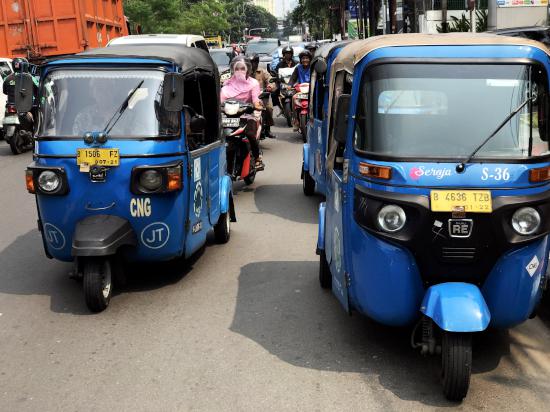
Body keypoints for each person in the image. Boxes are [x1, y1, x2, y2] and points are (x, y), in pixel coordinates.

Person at [220, 56, 264, 168]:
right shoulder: (226, 84)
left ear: (247, 70)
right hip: (229, 117)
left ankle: (257, 157)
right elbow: (221, 100)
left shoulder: (254, 83)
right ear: (233, 70)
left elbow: (256, 100)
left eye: (242, 68)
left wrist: (257, 106)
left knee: (250, 134)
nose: (239, 71)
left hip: (248, 115)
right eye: (237, 69)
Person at [250, 54, 276, 139]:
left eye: (253, 62)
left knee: (269, 108)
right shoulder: (245, 72)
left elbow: (270, 79)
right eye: (250, 62)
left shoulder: (262, 71)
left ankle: (267, 129)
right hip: (248, 97)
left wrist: (270, 86)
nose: (252, 64)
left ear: (257, 63)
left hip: (262, 97)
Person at [289, 50, 312, 131]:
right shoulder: (298, 68)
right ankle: (295, 121)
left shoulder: (313, 67)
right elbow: (293, 78)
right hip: (300, 89)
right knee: (293, 97)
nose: (305, 60)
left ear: (310, 59)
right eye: (303, 58)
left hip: (311, 89)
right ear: (300, 60)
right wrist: (289, 85)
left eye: (307, 58)